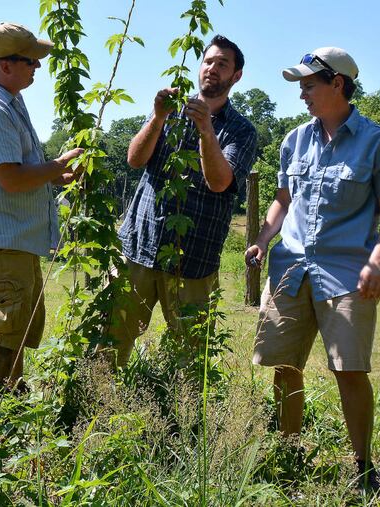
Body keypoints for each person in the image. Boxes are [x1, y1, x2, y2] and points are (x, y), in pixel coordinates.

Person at [245, 47, 380, 490]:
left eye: (308, 84)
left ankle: (363, 469)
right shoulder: (293, 140)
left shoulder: (379, 143)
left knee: (349, 370)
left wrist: (377, 261)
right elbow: (283, 199)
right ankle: (287, 457)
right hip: (290, 268)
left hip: (347, 274)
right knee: (284, 365)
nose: (302, 94)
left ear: (337, 83)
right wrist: (262, 240)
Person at [104, 35, 257, 367]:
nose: (212, 69)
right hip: (139, 248)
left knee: (189, 360)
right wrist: (157, 118)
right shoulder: (171, 111)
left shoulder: (242, 131)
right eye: (208, 61)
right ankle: (96, 407)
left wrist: (206, 130)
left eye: (223, 64)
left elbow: (220, 182)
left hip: (194, 261)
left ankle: (182, 419)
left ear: (236, 76)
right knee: (111, 342)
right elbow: (134, 159)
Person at [0, 22, 82, 389]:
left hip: (19, 239)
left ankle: (10, 403)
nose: (37, 68)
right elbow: (10, 179)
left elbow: (19, 170)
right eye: (31, 61)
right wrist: (59, 165)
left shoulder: (11, 102)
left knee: (17, 328)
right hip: (5, 239)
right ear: (6, 65)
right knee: (3, 327)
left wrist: (50, 176)